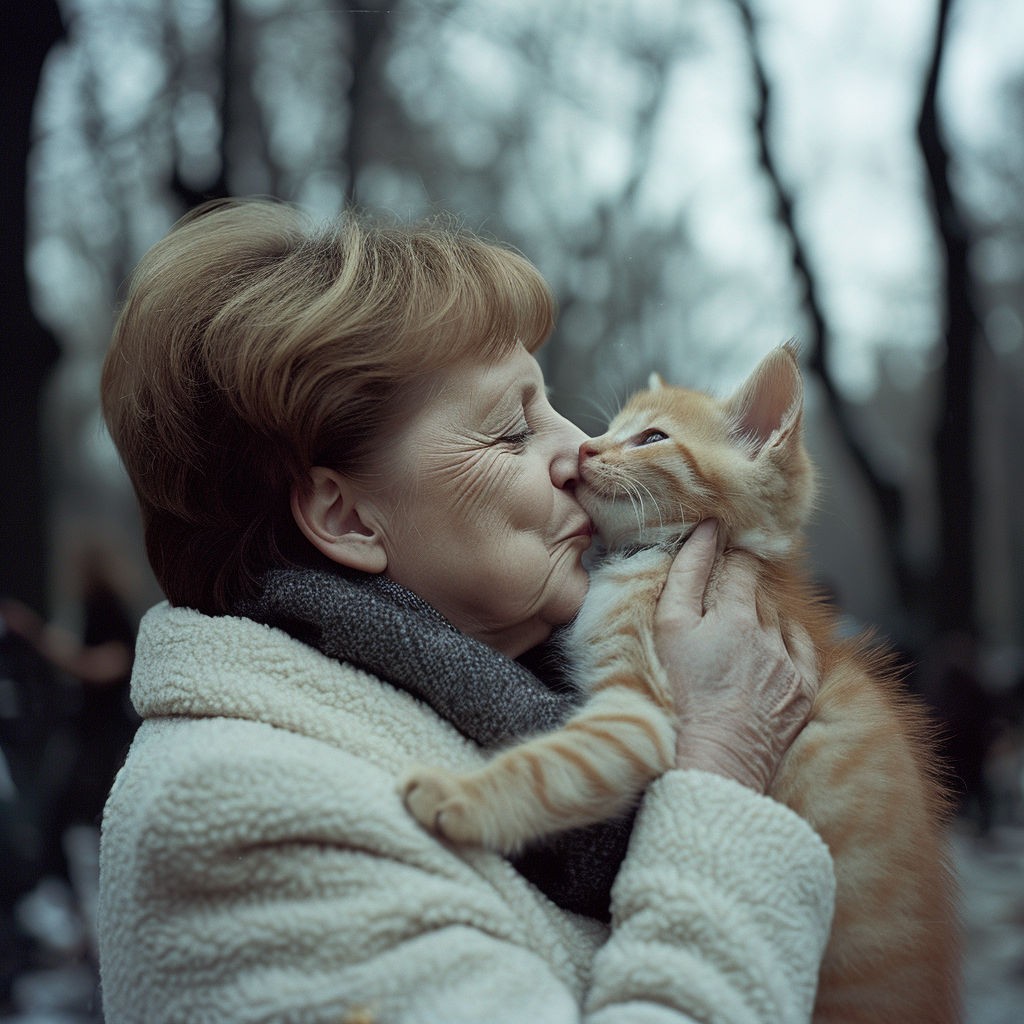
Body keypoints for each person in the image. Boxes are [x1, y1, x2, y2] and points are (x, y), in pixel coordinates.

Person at [96, 198, 835, 1023]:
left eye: (550, 403)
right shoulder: (231, 815)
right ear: (346, 519)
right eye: (512, 430)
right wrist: (722, 768)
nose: (578, 450)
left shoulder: (504, 704)